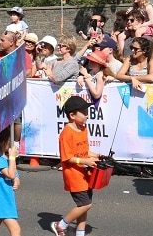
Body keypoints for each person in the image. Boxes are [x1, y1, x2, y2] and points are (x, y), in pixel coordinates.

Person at [50, 95, 101, 236]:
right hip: (74, 175)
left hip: (86, 174)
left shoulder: (83, 129)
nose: (87, 116)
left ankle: (80, 232)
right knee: (86, 204)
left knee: (83, 206)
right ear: (72, 115)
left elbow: (84, 150)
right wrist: (86, 161)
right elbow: (67, 158)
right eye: (84, 113)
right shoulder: (66, 134)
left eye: (87, 112)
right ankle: (60, 225)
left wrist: (95, 155)